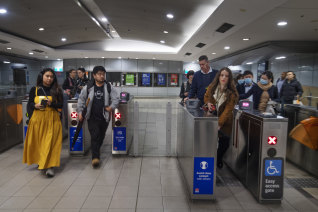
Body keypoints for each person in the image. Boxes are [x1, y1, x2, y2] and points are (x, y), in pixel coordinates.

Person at [23, 68, 63, 177]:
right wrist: (34, 106)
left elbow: (61, 105)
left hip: (52, 119)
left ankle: (50, 166)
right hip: (37, 120)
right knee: (39, 143)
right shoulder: (34, 90)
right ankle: (42, 161)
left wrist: (51, 104)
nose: (49, 78)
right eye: (47, 76)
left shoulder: (57, 90)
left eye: (51, 76)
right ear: (42, 76)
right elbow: (29, 103)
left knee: (50, 143)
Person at [77, 66, 119, 168]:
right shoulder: (88, 87)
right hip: (91, 117)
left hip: (104, 117)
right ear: (94, 75)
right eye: (99, 74)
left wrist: (111, 107)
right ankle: (95, 157)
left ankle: (96, 149)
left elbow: (116, 99)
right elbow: (81, 99)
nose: (102, 76)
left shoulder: (109, 87)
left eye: (103, 74)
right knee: (95, 135)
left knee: (101, 135)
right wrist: (79, 112)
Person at [204, 67, 238, 169]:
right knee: (210, 142)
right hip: (211, 118)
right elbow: (206, 96)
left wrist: (219, 124)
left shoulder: (232, 93)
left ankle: (218, 158)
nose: (223, 78)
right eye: (222, 75)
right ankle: (209, 162)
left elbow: (228, 110)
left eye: (226, 76)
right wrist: (208, 102)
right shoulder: (212, 87)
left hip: (225, 122)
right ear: (218, 76)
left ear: (229, 78)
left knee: (224, 143)